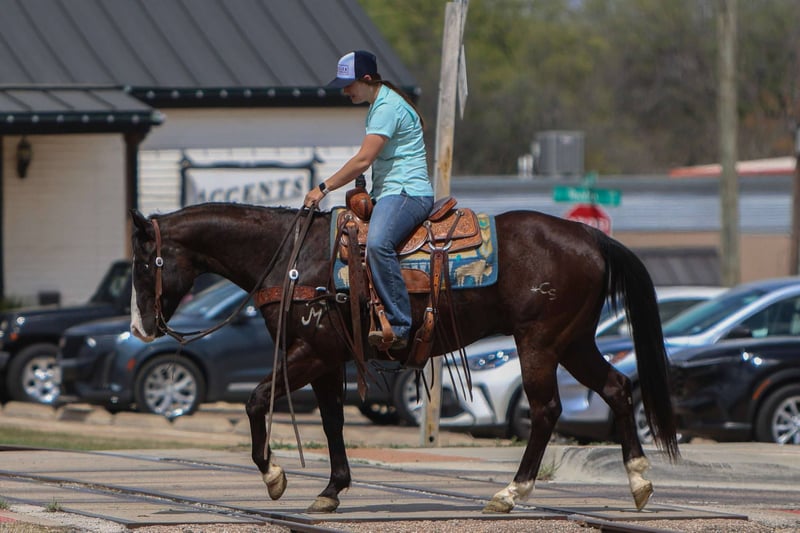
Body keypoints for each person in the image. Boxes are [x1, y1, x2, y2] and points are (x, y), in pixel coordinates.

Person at [303, 50, 433, 350]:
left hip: (407, 193)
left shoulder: (387, 107)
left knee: (377, 244)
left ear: (366, 79)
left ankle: (399, 324)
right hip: (391, 192)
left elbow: (363, 159)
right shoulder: (380, 103)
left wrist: (322, 188)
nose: (345, 91)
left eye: (348, 84)